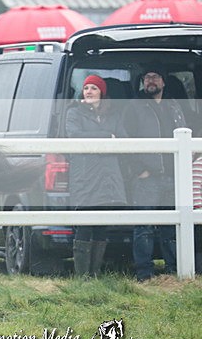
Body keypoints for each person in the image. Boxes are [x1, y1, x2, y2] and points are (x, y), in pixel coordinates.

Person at [123, 67, 186, 282]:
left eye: (155, 77)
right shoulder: (133, 106)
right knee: (144, 227)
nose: (151, 81)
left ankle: (172, 272)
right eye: (147, 77)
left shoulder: (174, 105)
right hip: (147, 178)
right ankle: (145, 274)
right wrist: (139, 170)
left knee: (171, 227)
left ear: (163, 81)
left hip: (172, 176)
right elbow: (125, 140)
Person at [64, 75, 127, 277]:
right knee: (84, 225)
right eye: (86, 88)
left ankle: (95, 273)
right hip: (85, 177)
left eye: (93, 88)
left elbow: (123, 138)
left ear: (102, 92)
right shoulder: (74, 112)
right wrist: (107, 136)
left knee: (101, 226)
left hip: (108, 177)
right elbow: (74, 135)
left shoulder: (113, 115)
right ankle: (82, 276)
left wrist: (111, 138)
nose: (89, 92)